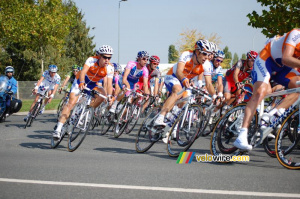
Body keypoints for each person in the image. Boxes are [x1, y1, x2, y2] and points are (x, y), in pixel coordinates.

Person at [234, 28, 300, 150]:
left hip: (284, 68)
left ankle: (272, 114)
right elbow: (286, 58)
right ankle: (242, 135)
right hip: (267, 59)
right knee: (260, 92)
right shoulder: (296, 34)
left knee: (298, 88)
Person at [53, 45, 114, 139]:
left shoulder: (110, 68)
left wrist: (110, 96)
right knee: (71, 103)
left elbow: (109, 84)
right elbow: (83, 72)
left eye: (109, 57)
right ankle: (58, 128)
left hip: (93, 84)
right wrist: (81, 82)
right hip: (80, 81)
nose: (107, 60)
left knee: (103, 96)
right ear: (99, 56)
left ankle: (88, 111)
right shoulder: (91, 60)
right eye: (105, 57)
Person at [154, 39, 212, 127]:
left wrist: (215, 95)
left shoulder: (206, 64)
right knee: (178, 90)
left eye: (208, 54)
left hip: (185, 81)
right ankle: (160, 118)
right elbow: (179, 71)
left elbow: (209, 84)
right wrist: (184, 79)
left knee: (186, 100)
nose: (206, 57)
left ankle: (171, 125)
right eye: (204, 54)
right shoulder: (187, 55)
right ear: (197, 52)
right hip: (173, 76)